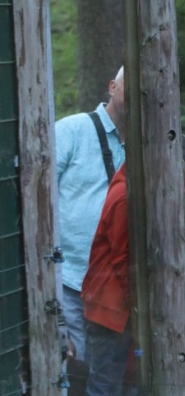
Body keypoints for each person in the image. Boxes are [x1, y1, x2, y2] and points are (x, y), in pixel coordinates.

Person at [81, 136, 185, 396]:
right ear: (163, 166)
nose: (180, 189)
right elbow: (125, 265)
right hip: (112, 310)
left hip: (128, 304)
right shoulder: (125, 198)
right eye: (177, 182)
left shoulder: (149, 179)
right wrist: (141, 312)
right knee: (107, 387)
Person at [56, 66, 126, 362]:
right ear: (112, 87)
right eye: (129, 86)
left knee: (105, 369)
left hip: (115, 282)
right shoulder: (70, 130)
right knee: (73, 364)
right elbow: (35, 191)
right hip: (68, 275)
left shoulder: (152, 143)